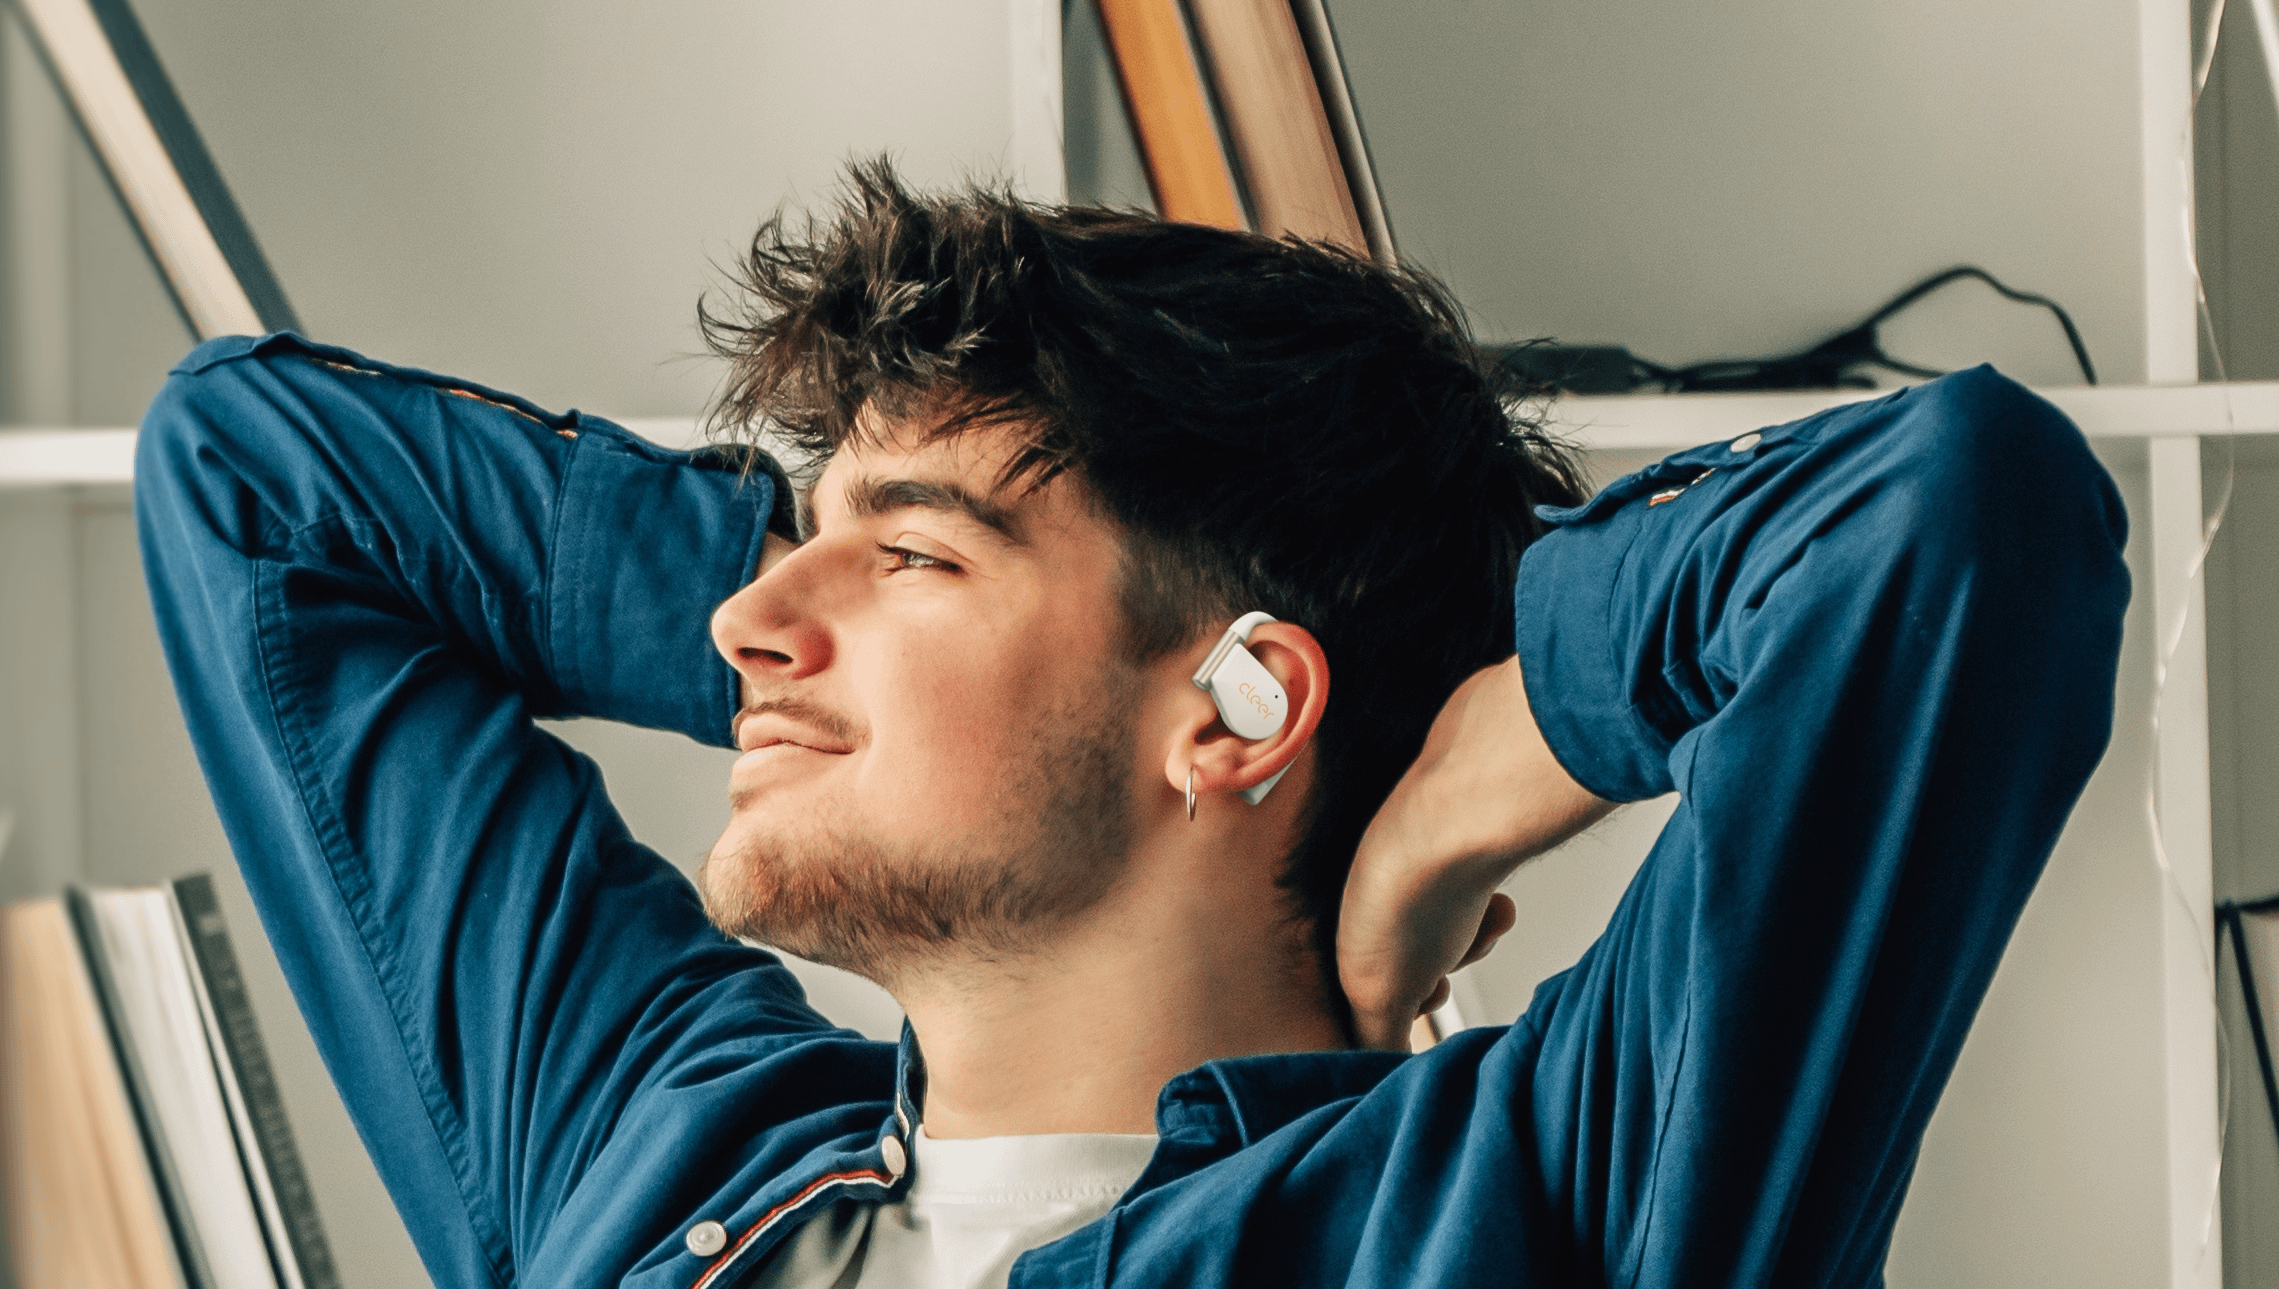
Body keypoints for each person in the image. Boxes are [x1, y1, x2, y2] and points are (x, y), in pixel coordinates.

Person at [137, 163, 2127, 1289]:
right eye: (786, 545)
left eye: (906, 561)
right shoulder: (654, 1143)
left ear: (1244, 699)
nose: (747, 618)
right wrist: (860, 566)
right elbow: (256, 474)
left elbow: (1957, 516)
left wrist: (1480, 741)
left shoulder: (1535, 1198)